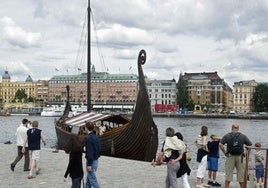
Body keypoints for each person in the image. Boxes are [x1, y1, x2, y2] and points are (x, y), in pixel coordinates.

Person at [219, 124, 252, 188]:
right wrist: (246, 153)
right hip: (240, 157)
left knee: (228, 175)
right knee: (241, 176)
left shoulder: (227, 135)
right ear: (238, 128)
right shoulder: (243, 136)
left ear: (232, 128)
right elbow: (250, 146)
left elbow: (220, 145)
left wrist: (225, 153)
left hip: (230, 156)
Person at [85, 122, 101, 188]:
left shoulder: (88, 138)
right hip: (96, 160)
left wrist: (89, 164)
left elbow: (90, 152)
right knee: (89, 179)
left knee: (93, 180)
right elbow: (99, 149)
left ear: (86, 128)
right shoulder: (96, 137)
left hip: (91, 162)